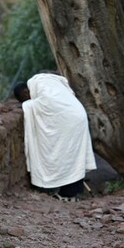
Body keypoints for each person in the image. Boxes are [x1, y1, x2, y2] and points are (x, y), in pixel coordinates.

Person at [13, 72, 96, 202]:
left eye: (26, 99)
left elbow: (47, 101)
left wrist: (27, 106)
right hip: (76, 115)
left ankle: (69, 194)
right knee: (72, 156)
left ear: (25, 93)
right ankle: (72, 191)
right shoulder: (46, 80)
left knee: (69, 156)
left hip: (70, 120)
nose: (29, 100)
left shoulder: (39, 84)